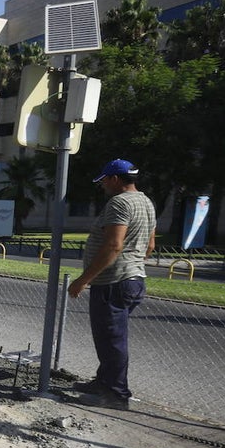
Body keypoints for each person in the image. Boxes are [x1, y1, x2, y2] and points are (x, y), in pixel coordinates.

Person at [68, 159, 157, 410]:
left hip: (113, 282)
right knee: (110, 338)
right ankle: (103, 382)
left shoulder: (119, 203)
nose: (102, 185)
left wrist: (83, 280)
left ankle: (116, 395)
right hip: (133, 279)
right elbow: (150, 245)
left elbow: (113, 245)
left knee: (112, 341)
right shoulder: (146, 202)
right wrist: (133, 263)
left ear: (115, 179)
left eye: (104, 180)